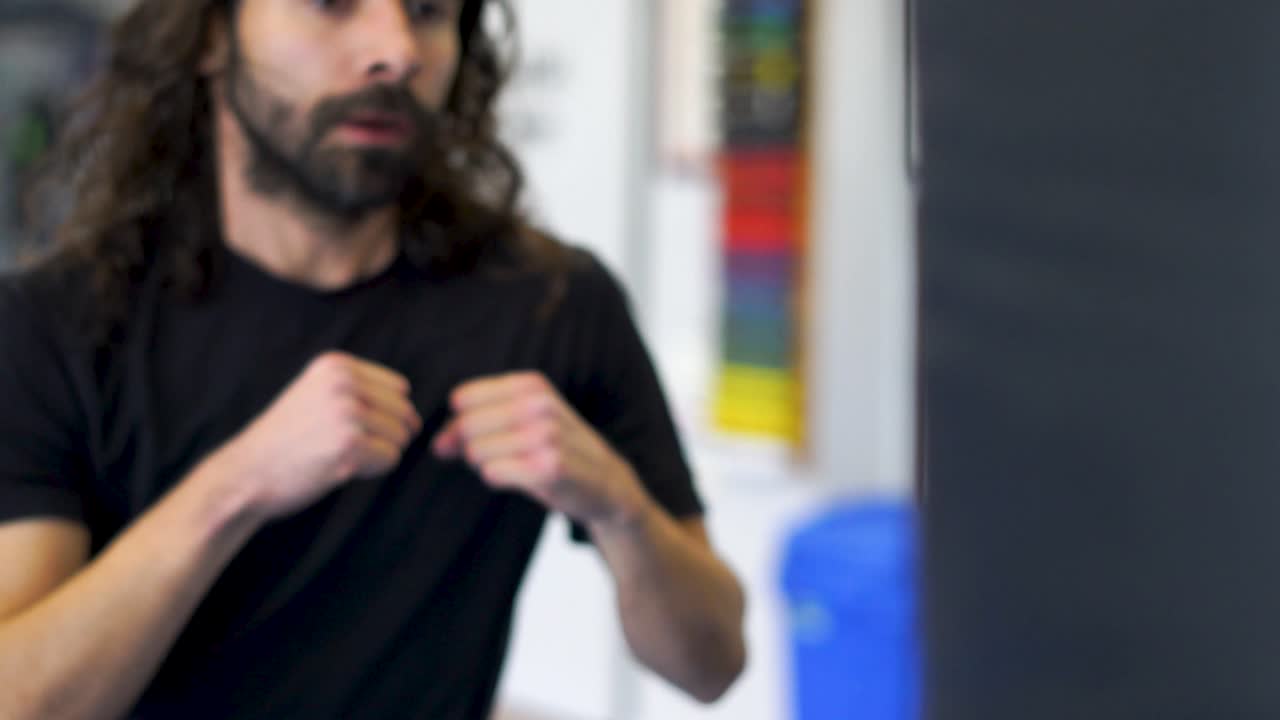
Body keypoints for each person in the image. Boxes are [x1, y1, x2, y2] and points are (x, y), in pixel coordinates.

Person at [0, 1, 747, 718]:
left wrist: (622, 507)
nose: (396, 50)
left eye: (428, 10)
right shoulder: (55, 324)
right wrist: (235, 488)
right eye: (331, 3)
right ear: (211, 35)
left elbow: (712, 664)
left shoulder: (553, 303)